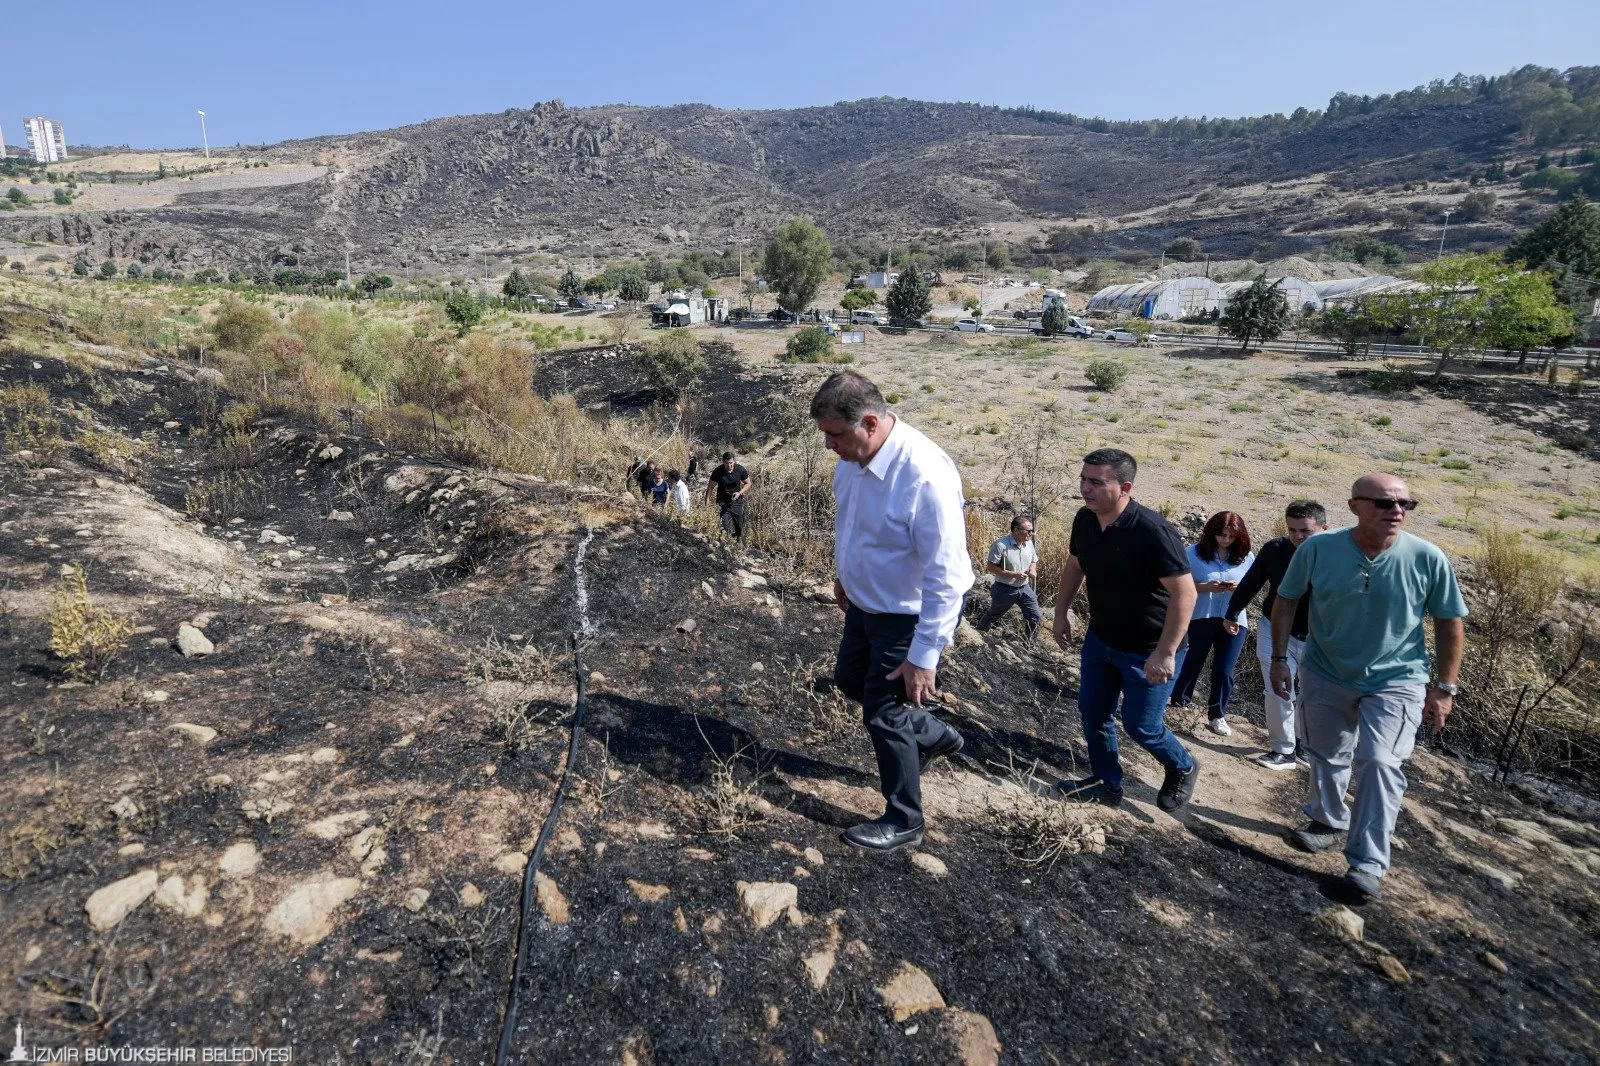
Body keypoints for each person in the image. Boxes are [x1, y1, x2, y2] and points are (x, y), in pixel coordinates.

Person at [1271, 474, 1466, 902]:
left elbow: (1450, 622)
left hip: (1398, 679)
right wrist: (1280, 658)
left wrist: (1445, 687)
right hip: (1325, 670)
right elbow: (1285, 600)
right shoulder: (1318, 550)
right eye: (1383, 503)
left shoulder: (1428, 557)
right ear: (1355, 505)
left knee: (1379, 762)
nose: (1396, 511)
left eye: (1405, 504)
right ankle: (1326, 820)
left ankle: (1367, 863)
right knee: (1326, 753)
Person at [813, 370, 972, 853]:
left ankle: (905, 820)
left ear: (869, 422)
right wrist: (845, 574)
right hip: (864, 606)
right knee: (848, 681)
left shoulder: (923, 474)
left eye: (835, 435)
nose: (828, 446)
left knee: (884, 713)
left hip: (906, 617)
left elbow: (949, 575)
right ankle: (934, 734)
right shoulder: (854, 457)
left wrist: (926, 655)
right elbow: (854, 523)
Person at [1051, 449, 1200, 812]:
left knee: (1141, 726)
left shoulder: (1152, 531)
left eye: (1096, 482)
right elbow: (1075, 565)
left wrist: (1165, 652)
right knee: (1093, 711)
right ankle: (1106, 782)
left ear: (1125, 487)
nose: (1085, 488)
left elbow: (1185, 593)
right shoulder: (1085, 520)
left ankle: (1183, 764)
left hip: (1149, 647)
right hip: (1101, 640)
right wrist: (1060, 612)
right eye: (1083, 479)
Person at [1224, 500, 1327, 770]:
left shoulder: (1335, 557)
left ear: (1324, 528)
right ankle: (1283, 750)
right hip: (1275, 627)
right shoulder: (1276, 549)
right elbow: (1253, 581)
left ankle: (1304, 744)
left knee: (1311, 691)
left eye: (1305, 531)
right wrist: (1233, 611)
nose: (1297, 537)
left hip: (1318, 637)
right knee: (1278, 689)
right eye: (1292, 530)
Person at [1170, 511, 1255, 736]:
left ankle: (1217, 715)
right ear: (1212, 533)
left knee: (1224, 668)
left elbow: (1253, 586)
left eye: (1231, 536)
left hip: (1234, 618)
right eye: (1221, 535)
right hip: (1201, 615)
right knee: (1192, 660)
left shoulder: (1247, 557)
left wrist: (1239, 588)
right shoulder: (1192, 553)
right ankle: (1179, 702)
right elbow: (1179, 585)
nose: (1226, 540)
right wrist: (1207, 587)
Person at [974, 515, 1042, 640]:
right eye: (1028, 531)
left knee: (1036, 618)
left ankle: (1028, 645)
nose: (1031, 534)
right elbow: (991, 567)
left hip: (1024, 588)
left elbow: (1033, 560)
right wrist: (1013, 574)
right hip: (1004, 589)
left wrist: (1033, 570)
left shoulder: (1029, 544)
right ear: (1016, 530)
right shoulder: (1000, 545)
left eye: (1032, 531)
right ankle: (978, 637)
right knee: (993, 615)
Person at [704, 451, 752, 547]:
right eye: (727, 463)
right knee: (724, 524)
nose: (729, 465)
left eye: (731, 463)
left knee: (739, 524)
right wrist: (707, 502)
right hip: (723, 501)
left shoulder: (740, 469)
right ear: (723, 462)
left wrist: (740, 493)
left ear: (734, 461)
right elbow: (710, 487)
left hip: (736, 501)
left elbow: (748, 483)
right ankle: (723, 545)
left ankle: (739, 540)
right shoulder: (718, 471)